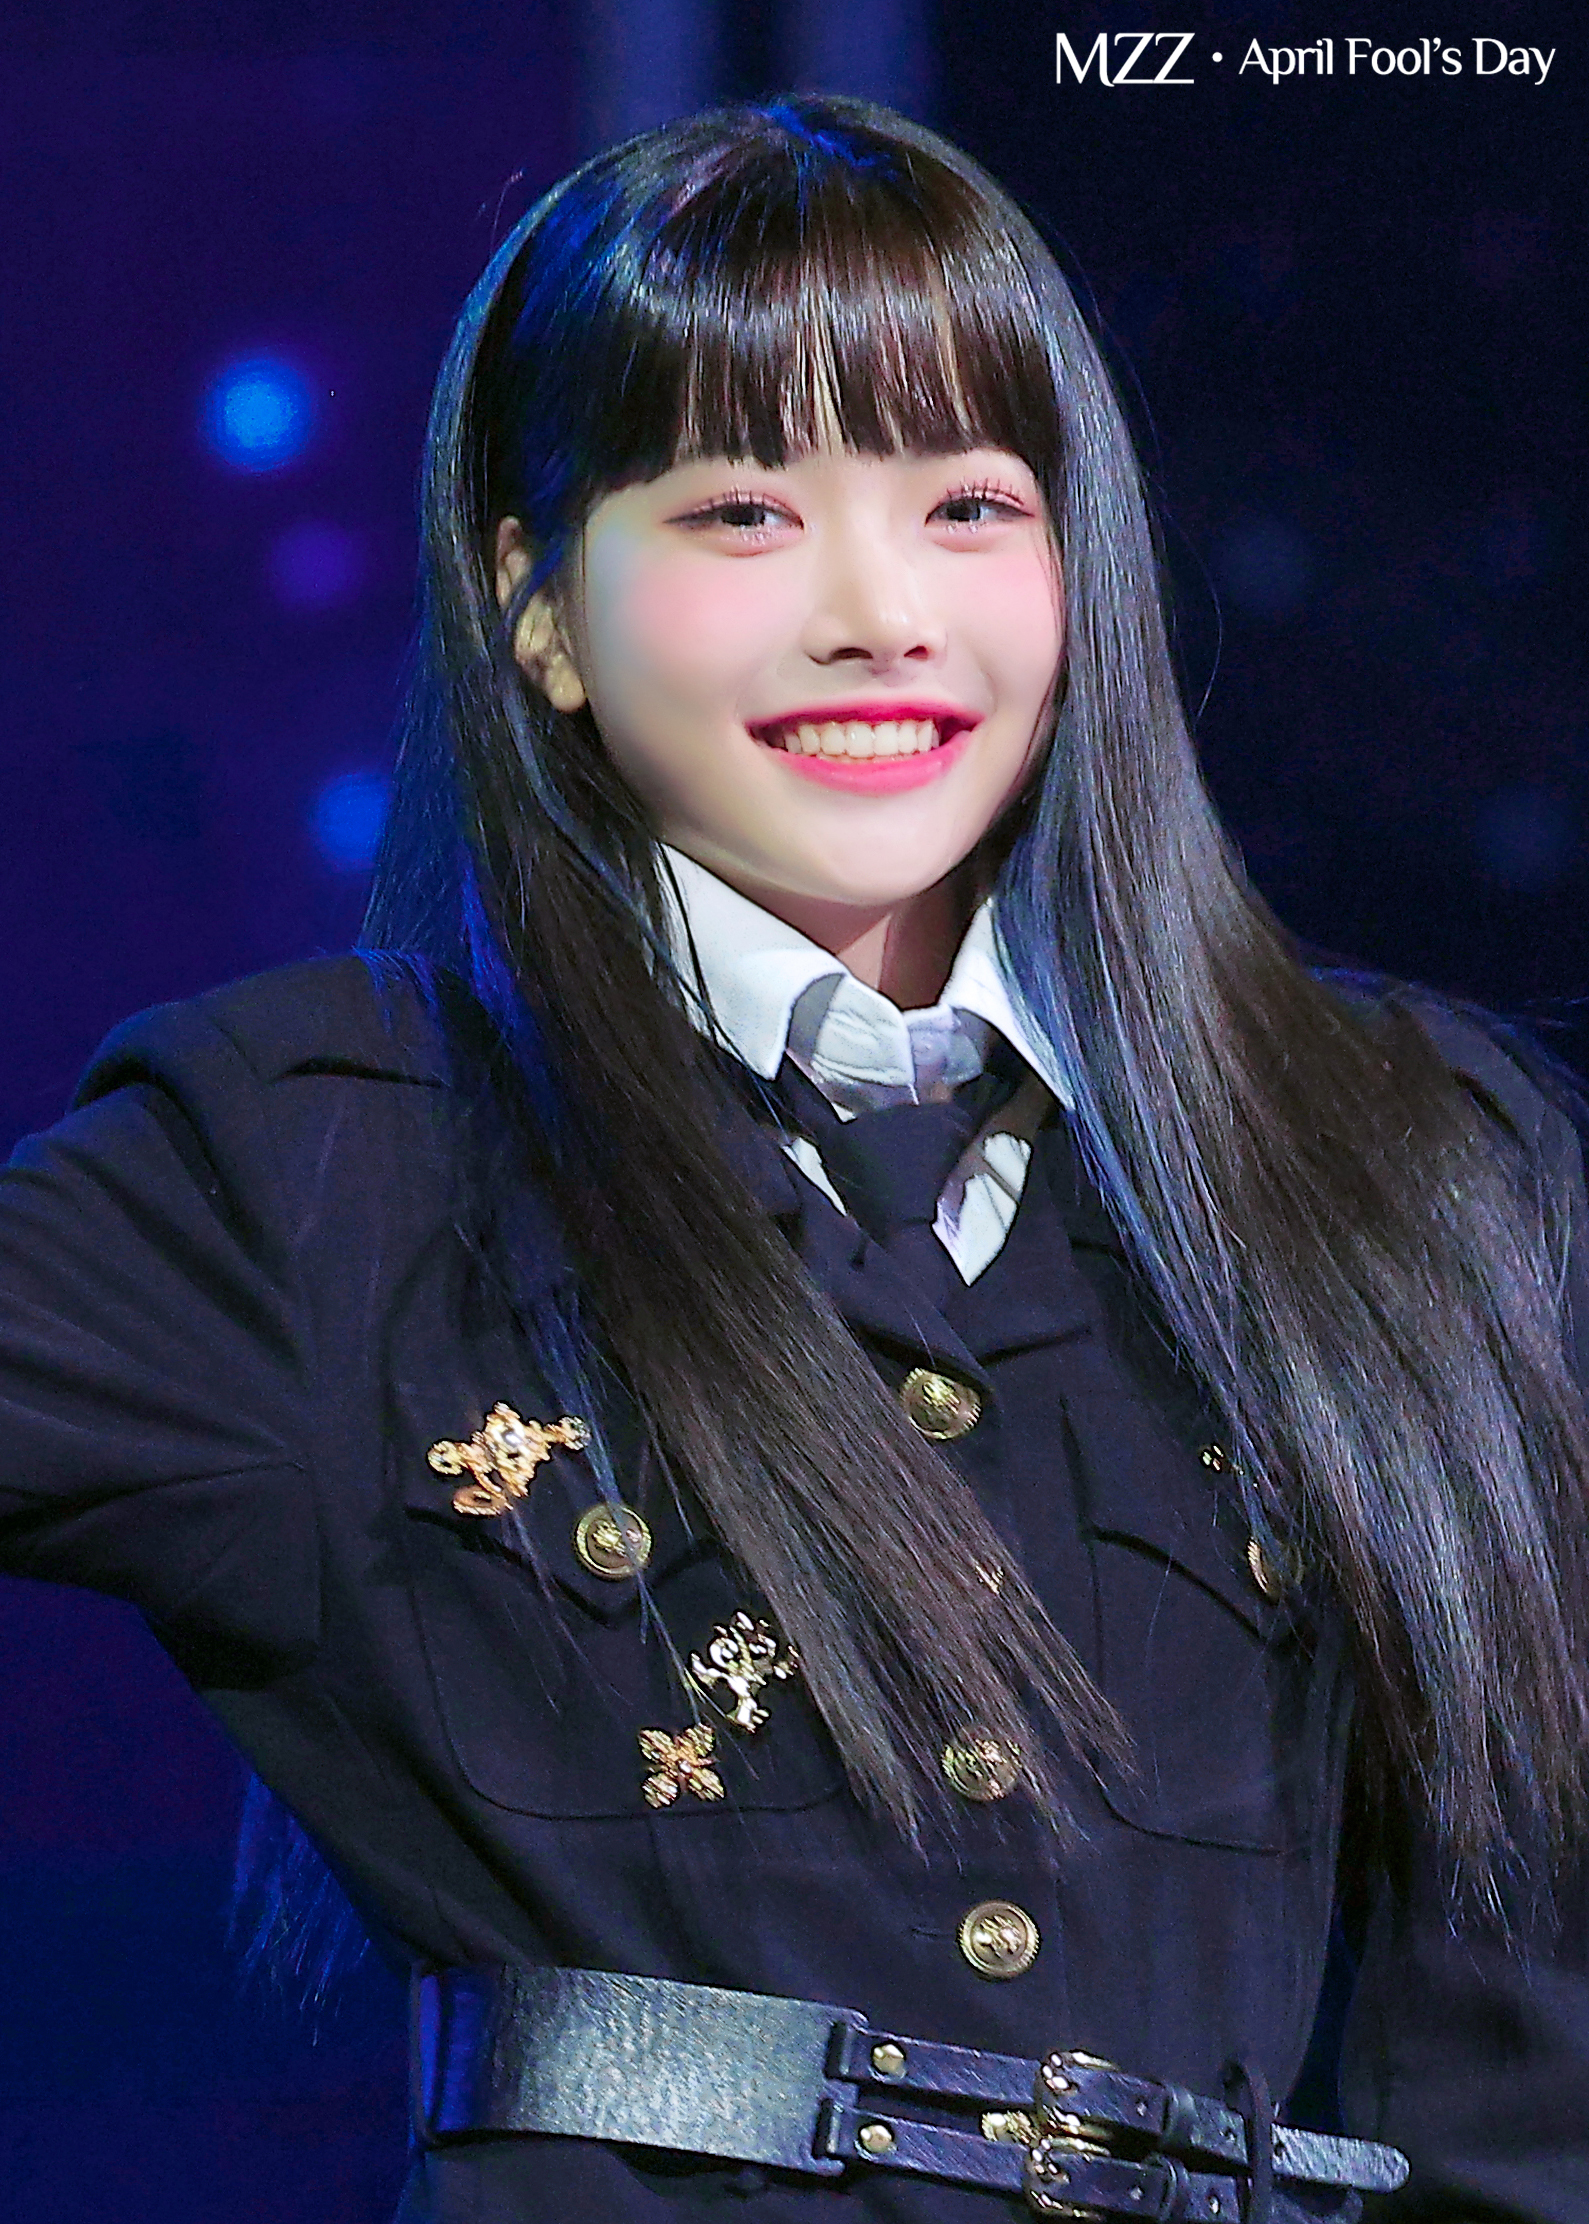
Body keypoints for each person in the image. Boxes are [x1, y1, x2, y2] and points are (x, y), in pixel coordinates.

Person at [3, 92, 1588, 2224]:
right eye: (743, 510)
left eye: (969, 504)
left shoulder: (1409, 1166)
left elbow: (1523, 2067)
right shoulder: (312, 1165)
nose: (879, 612)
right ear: (539, 610)